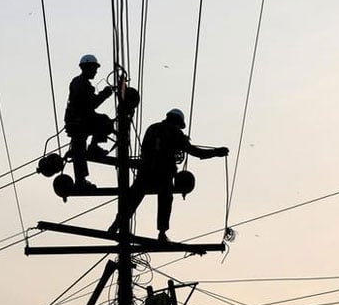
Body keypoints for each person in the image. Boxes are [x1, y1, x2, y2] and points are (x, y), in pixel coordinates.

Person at [109, 109, 229, 241]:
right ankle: (162, 233)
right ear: (177, 122)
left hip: (145, 172)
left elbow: (145, 150)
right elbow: (196, 152)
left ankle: (115, 226)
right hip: (163, 174)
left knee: (133, 198)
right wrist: (216, 152)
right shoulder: (176, 134)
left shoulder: (152, 128)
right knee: (165, 199)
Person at [64, 54, 115, 189]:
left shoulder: (78, 82)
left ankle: (81, 179)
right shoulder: (82, 84)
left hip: (77, 121)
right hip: (79, 123)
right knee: (104, 122)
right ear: (86, 68)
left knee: (78, 150)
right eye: (94, 68)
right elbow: (91, 104)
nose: (96, 71)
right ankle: (92, 151)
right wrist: (105, 94)